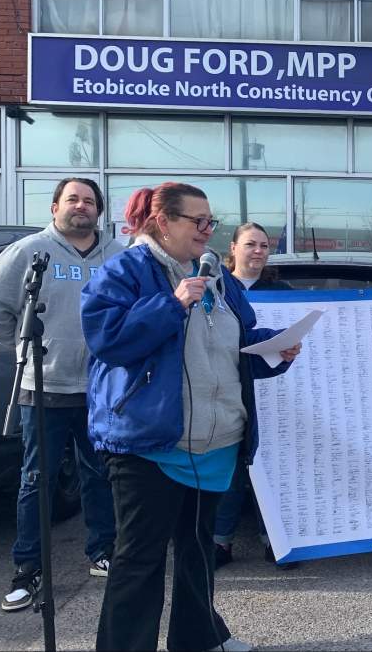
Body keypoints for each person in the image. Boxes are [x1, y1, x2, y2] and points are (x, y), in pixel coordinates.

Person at [82, 183, 301, 651]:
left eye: (210, 222)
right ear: (162, 222)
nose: (207, 231)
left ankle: (197, 640)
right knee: (138, 561)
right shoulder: (123, 271)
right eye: (197, 221)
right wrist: (172, 302)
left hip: (216, 440)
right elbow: (109, 340)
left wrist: (275, 348)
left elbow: (234, 344)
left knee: (198, 551)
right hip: (150, 444)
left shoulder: (219, 278)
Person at [0, 177, 121, 612]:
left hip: (100, 389)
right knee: (37, 479)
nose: (81, 206)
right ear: (55, 206)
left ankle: (103, 551)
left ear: (98, 210)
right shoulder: (27, 252)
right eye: (72, 199)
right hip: (44, 388)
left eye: (89, 201)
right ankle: (28, 568)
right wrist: (28, 346)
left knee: (100, 475)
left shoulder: (116, 255)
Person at [213, 222, 297, 570]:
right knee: (232, 470)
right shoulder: (217, 288)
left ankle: (274, 539)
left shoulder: (283, 289)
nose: (259, 251)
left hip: (283, 394)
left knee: (274, 467)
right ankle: (220, 542)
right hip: (229, 390)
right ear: (233, 248)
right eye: (250, 244)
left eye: (264, 245)